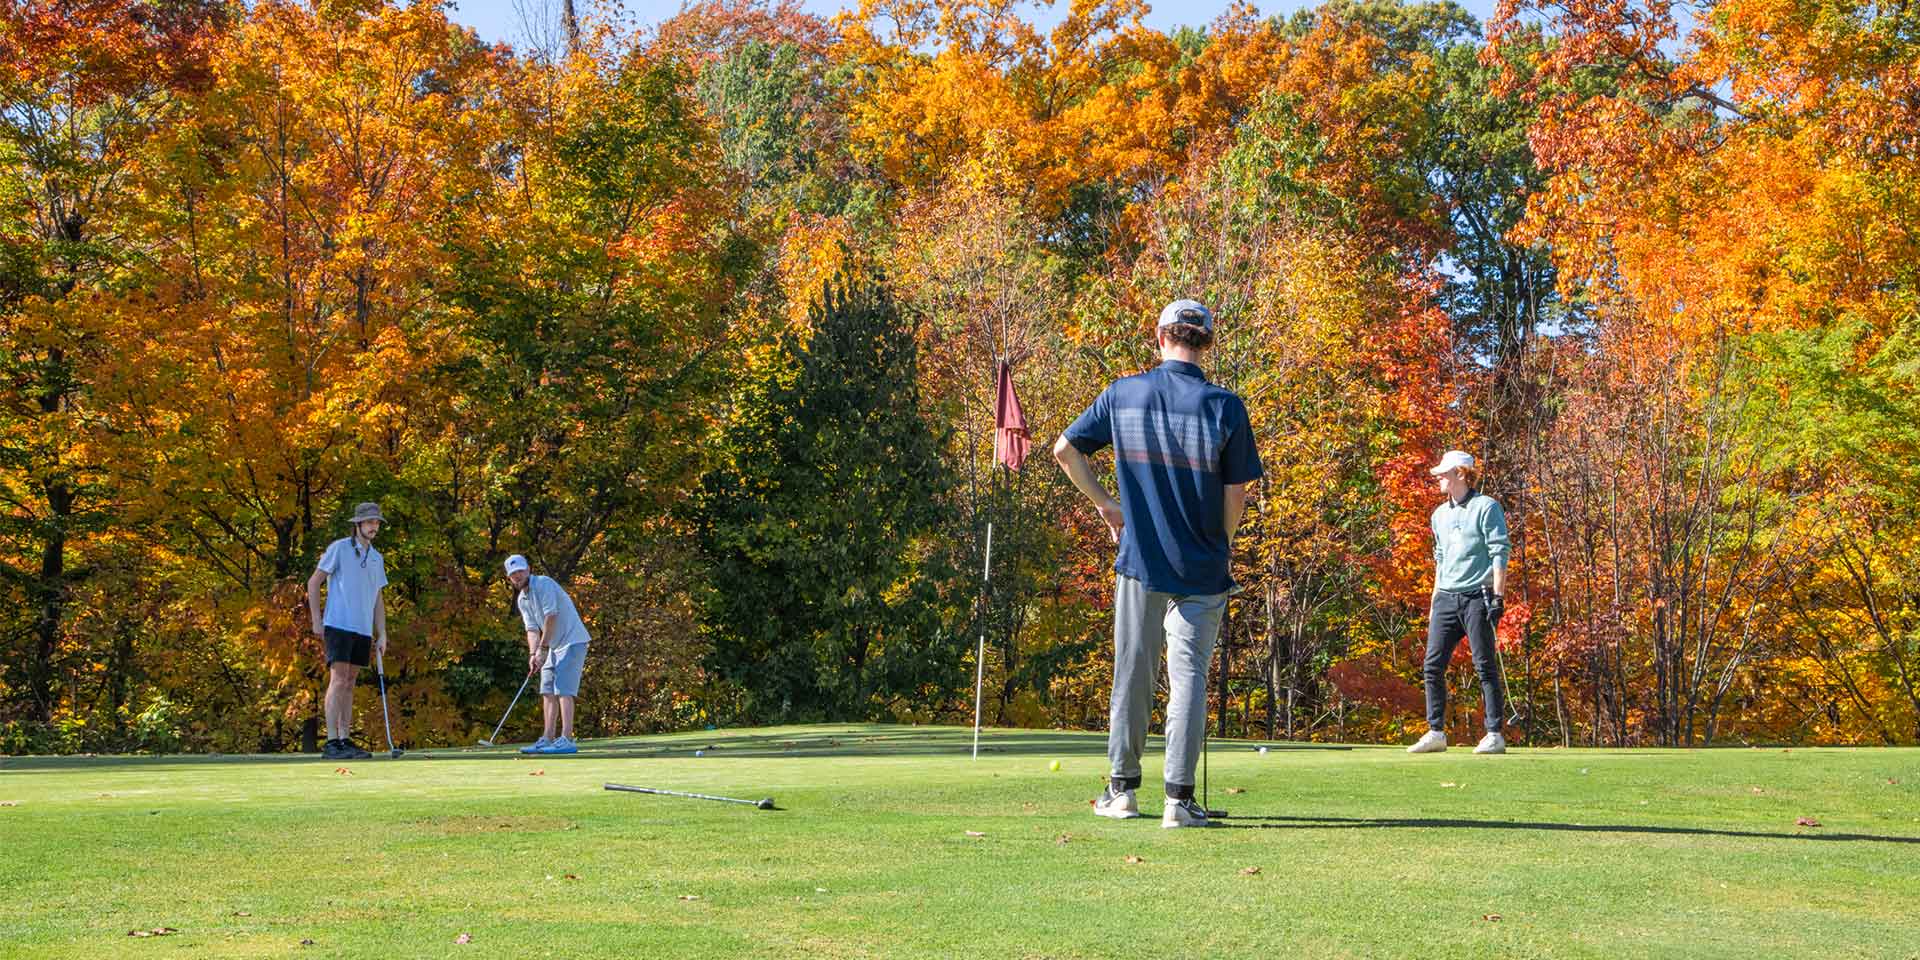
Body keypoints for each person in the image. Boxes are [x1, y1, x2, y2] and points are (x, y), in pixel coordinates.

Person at [1053, 299, 1262, 828]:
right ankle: (1179, 801)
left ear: (1159, 335)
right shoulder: (1225, 406)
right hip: (1202, 566)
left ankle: (1121, 791)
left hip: (1139, 560)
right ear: (1206, 342)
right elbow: (1235, 495)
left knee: (1133, 674)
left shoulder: (1123, 392)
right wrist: (1220, 539)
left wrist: (1106, 503)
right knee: (1188, 676)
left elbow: (1064, 450)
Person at [1408, 450, 1512, 755]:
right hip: (1445, 597)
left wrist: (1498, 595)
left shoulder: (1486, 507)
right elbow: (1440, 559)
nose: (1438, 478)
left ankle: (1494, 734)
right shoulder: (1439, 515)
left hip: (1477, 596)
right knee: (1432, 665)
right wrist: (1433, 601)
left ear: (1461, 474)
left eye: (1444, 473)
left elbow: (1499, 551)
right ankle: (1436, 732)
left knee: (1484, 666)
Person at [306, 502, 390, 760]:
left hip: (362, 628)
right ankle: (332, 742)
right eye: (369, 522)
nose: (374, 526)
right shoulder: (339, 548)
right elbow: (313, 582)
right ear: (358, 525)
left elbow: (378, 598)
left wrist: (382, 633)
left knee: (350, 683)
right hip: (339, 623)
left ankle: (345, 739)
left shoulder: (376, 558)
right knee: (338, 679)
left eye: (376, 522)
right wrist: (316, 620)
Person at [503, 555, 591, 755]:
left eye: (521, 571)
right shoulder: (522, 599)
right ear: (509, 578)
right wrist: (534, 654)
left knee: (563, 690)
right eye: (513, 574)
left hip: (572, 640)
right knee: (547, 689)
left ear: (528, 569)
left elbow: (551, 616)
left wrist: (543, 649)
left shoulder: (544, 584)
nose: (518, 576)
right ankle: (547, 738)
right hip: (552, 645)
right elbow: (532, 629)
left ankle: (567, 738)